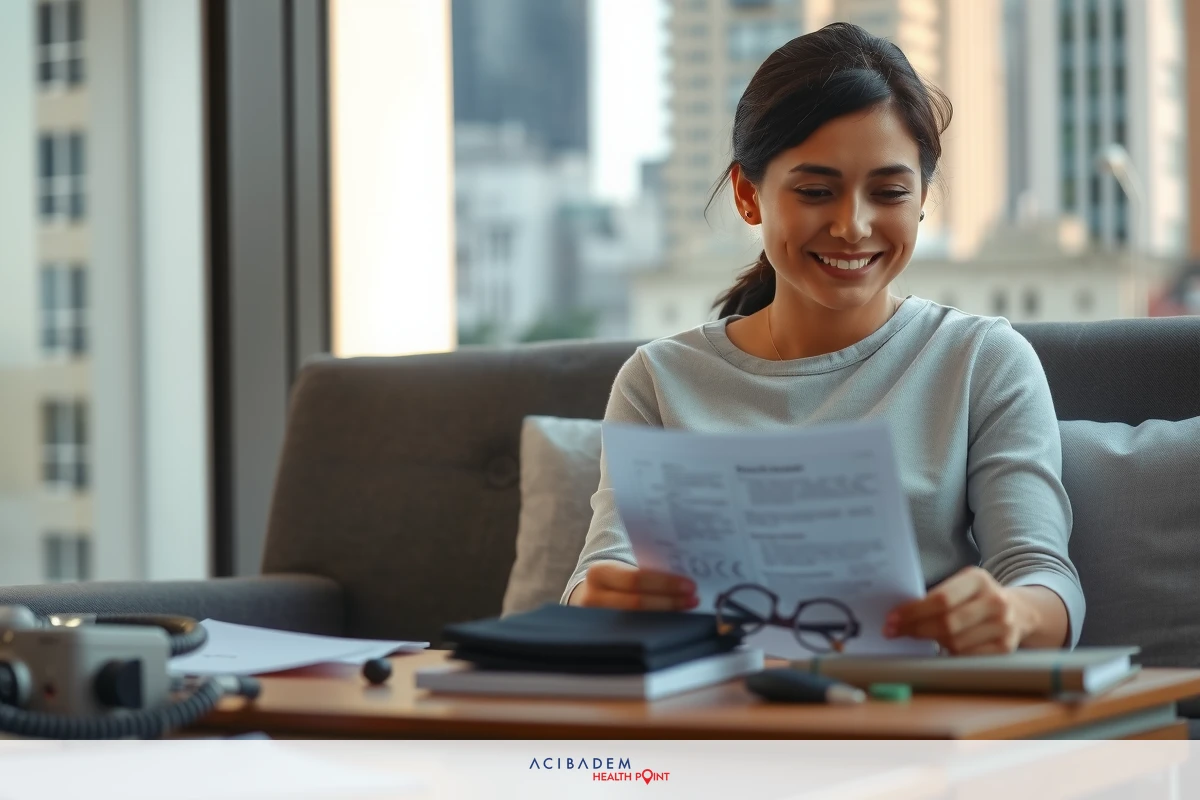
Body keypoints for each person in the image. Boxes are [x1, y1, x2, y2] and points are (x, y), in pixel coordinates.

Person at [562, 23, 1083, 655]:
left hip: (912, 722)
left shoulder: (980, 361)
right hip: (715, 720)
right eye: (815, 192)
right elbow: (599, 572)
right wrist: (598, 600)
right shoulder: (658, 381)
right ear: (748, 195)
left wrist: (1013, 615)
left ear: (921, 202)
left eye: (889, 192)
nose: (852, 225)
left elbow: (1041, 573)